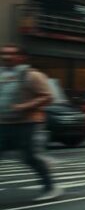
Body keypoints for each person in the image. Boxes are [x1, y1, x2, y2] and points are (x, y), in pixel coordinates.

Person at [0, 44, 60, 201]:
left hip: (28, 123)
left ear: (21, 57)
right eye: (4, 53)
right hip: (3, 123)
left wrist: (23, 107)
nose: (6, 57)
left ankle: (50, 187)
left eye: (11, 54)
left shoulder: (32, 75)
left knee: (29, 157)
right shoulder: (1, 74)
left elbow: (48, 96)